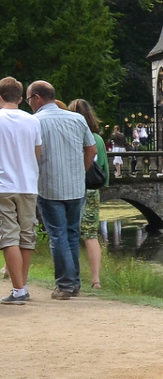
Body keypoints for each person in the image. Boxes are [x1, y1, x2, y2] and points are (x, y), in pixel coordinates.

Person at [27, 80, 94, 299]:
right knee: (72, 233)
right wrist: (81, 172)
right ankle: (74, 284)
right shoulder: (77, 119)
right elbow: (91, 149)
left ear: (37, 98)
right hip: (76, 186)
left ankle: (65, 285)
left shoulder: (35, 122)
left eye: (29, 100)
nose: (29, 104)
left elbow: (31, 155)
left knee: (57, 235)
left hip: (49, 186)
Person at [0, 77, 42, 305]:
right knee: (26, 237)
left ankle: (18, 291)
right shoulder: (33, 121)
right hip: (28, 184)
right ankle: (22, 286)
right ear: (19, 98)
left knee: (8, 236)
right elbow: (36, 153)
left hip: (3, 185)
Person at [68, 98, 108, 290]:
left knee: (70, 233)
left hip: (74, 189)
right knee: (91, 235)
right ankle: (96, 279)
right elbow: (104, 169)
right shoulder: (98, 139)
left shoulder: (73, 135)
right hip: (93, 190)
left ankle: (71, 277)